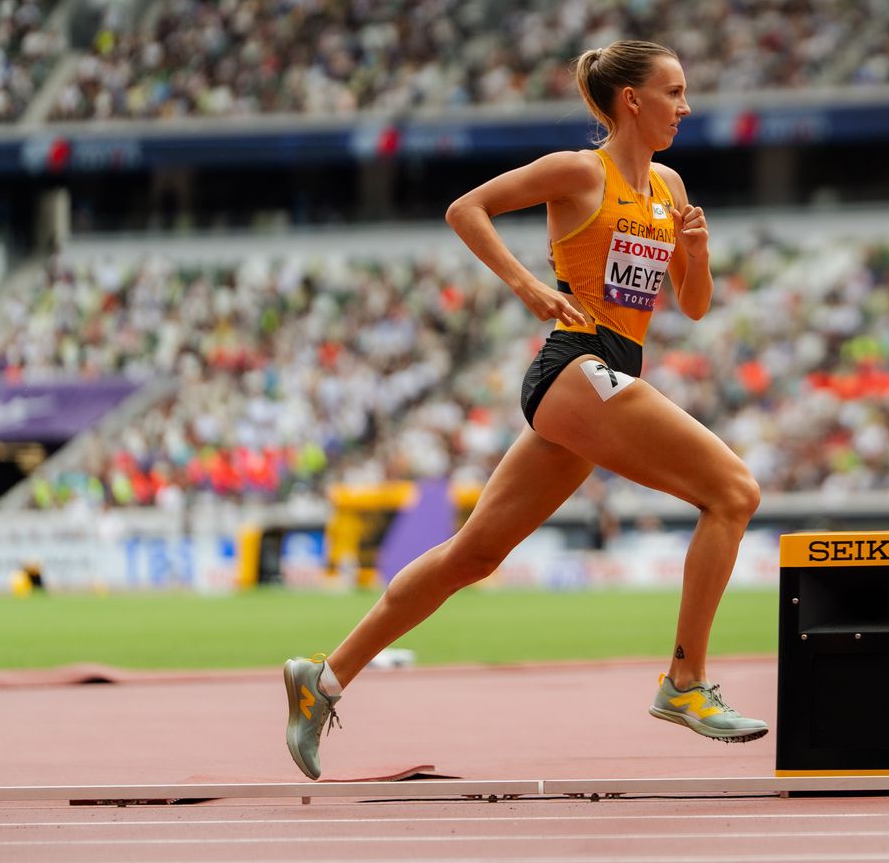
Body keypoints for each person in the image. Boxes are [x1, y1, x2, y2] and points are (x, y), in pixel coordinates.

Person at [282, 39, 767, 780]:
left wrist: (695, 254)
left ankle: (323, 681)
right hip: (577, 365)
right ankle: (685, 684)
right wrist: (524, 285)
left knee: (474, 554)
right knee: (734, 491)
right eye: (673, 91)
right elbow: (464, 208)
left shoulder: (668, 186)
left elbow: (692, 308)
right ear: (631, 100)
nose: (686, 106)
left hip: (608, 375)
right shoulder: (580, 171)